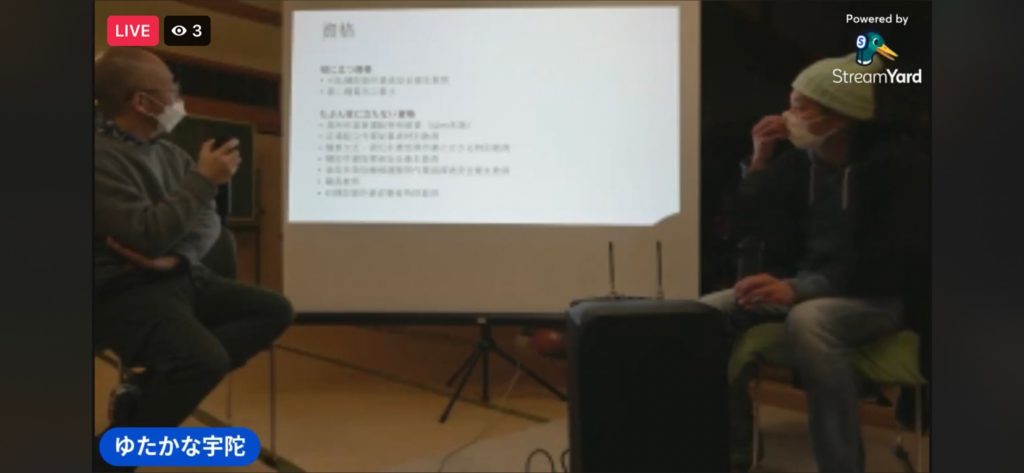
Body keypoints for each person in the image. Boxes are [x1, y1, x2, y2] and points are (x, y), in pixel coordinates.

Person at [700, 53, 926, 473]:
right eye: (790, 104)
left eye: (801, 108)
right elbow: (744, 225)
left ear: (840, 116)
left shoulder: (895, 169)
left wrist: (799, 289)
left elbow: (888, 261)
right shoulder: (797, 165)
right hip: (801, 287)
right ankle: (733, 451)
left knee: (811, 320)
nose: (789, 117)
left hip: (873, 297)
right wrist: (759, 160)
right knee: (703, 314)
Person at [93, 48, 294, 471]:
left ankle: (148, 388)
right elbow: (147, 235)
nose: (178, 97)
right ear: (142, 102)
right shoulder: (98, 158)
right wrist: (204, 180)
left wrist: (176, 260)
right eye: (171, 89)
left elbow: (207, 222)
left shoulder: (171, 154)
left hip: (179, 276)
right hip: (125, 288)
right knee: (204, 360)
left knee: (274, 309)